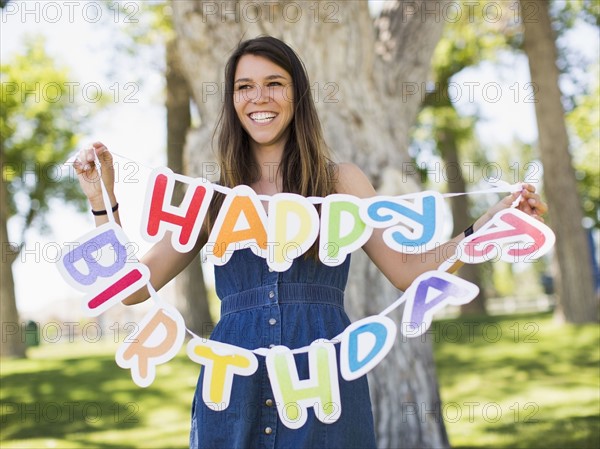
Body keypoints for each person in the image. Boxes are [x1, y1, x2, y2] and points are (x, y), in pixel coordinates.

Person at [74, 36, 547, 449]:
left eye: (274, 83)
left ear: (297, 95)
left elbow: (407, 270)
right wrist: (104, 200)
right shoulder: (212, 198)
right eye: (244, 86)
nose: (259, 97)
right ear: (231, 101)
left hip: (324, 385)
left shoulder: (340, 182)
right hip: (232, 387)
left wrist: (487, 225)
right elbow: (132, 286)